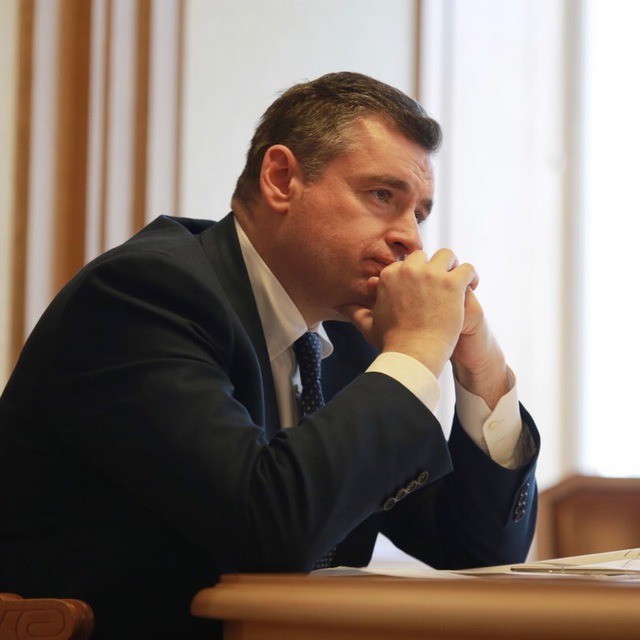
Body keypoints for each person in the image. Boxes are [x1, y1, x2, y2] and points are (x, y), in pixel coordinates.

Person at [0, 71, 539, 639]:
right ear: (281, 179)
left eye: (419, 214)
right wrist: (414, 351)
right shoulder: (143, 297)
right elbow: (267, 530)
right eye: (382, 196)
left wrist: (480, 367)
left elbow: (476, 552)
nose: (412, 239)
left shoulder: (348, 342)